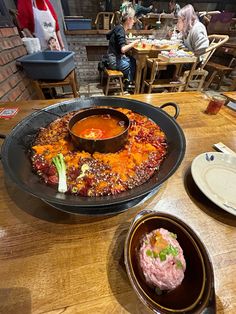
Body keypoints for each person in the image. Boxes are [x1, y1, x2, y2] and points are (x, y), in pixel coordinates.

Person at [106, 6, 139, 89]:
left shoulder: (118, 27)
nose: (134, 22)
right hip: (113, 61)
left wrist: (127, 42)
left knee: (132, 59)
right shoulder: (121, 30)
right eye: (133, 19)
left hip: (111, 58)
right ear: (128, 19)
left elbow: (112, 38)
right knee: (130, 64)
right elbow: (123, 49)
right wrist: (133, 43)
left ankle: (127, 80)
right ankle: (128, 83)